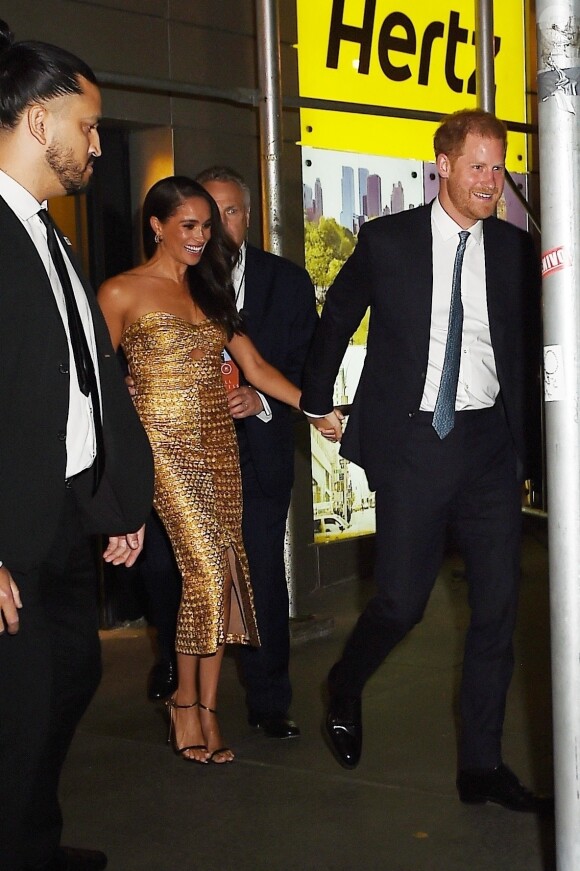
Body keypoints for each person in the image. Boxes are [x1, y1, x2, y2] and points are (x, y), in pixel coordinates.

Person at [302, 109, 549, 813]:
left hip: (489, 447)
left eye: (499, 168)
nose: (490, 181)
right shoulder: (389, 240)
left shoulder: (510, 249)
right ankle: (345, 680)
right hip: (415, 443)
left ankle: (481, 766)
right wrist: (316, 400)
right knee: (401, 601)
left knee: (499, 607)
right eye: (477, 166)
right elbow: (338, 315)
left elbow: (535, 344)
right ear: (441, 164)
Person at [98, 176, 323, 762]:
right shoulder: (121, 292)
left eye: (209, 225)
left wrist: (315, 408)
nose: (203, 237)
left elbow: (256, 367)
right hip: (163, 453)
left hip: (219, 447)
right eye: (189, 226)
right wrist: (119, 397)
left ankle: (207, 708)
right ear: (157, 226)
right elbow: (90, 379)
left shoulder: (212, 291)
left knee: (225, 576)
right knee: (201, 571)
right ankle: (183, 702)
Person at [0, 23, 154, 871]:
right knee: (22, 709)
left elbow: (83, 387)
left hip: (59, 513)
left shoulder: (49, 234)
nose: (96, 145)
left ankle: (31, 838)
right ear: (34, 123)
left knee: (72, 676)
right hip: (9, 529)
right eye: (86, 126)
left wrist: (111, 504)